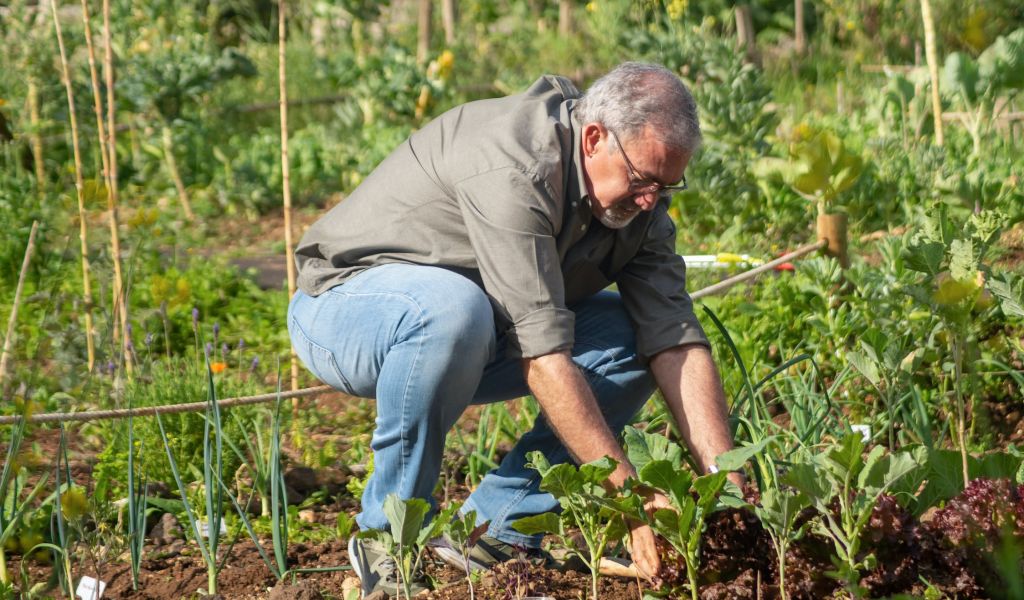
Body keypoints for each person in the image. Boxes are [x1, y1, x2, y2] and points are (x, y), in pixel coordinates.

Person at [288, 61, 742, 598]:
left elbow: (675, 340)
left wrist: (727, 489)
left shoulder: (640, 209)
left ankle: (495, 530)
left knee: (629, 337)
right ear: (594, 138)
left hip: (474, 329)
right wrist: (631, 500)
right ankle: (389, 535)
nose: (651, 200)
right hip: (346, 308)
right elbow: (544, 358)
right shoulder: (516, 166)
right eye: (643, 180)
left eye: (668, 185)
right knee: (453, 309)